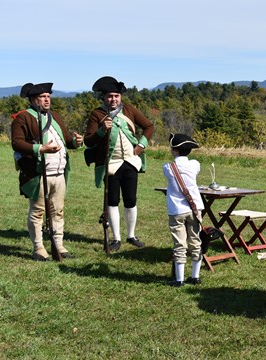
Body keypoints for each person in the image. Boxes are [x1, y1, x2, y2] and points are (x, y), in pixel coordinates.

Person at [11, 82, 84, 260]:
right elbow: (17, 142)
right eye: (43, 97)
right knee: (37, 211)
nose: (47, 100)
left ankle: (58, 245)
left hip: (58, 172)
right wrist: (40, 149)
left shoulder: (55, 117)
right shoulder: (23, 118)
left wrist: (77, 142)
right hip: (37, 173)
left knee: (58, 210)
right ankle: (39, 248)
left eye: (48, 97)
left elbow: (67, 140)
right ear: (34, 100)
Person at [84, 76, 155, 252]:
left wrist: (141, 145)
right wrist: (101, 131)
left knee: (131, 200)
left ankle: (131, 235)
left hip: (130, 162)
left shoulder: (129, 110)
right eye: (109, 96)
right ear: (103, 97)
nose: (113, 99)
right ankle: (116, 238)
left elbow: (149, 126)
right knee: (113, 201)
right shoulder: (97, 114)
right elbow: (89, 140)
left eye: (116, 96)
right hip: (110, 164)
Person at [163, 134, 204, 287]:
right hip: (195, 209)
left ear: (174, 150)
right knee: (195, 242)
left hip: (176, 210)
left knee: (179, 244)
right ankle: (195, 276)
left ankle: (179, 279)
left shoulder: (168, 167)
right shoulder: (195, 165)